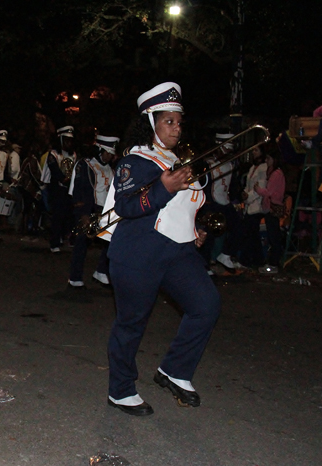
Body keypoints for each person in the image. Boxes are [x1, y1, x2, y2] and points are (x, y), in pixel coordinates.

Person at [104, 82, 220, 416]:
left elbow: (189, 205)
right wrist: (162, 188)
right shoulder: (136, 159)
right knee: (131, 323)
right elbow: (126, 206)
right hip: (139, 252)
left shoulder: (181, 160)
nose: (176, 128)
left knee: (206, 304)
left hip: (178, 252)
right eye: (168, 121)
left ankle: (175, 370)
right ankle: (120, 390)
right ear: (151, 122)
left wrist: (196, 228)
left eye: (178, 122)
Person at [67, 134, 119, 287]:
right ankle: (75, 277)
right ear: (99, 150)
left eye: (111, 153)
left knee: (109, 242)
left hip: (103, 211)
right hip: (87, 209)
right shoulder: (85, 164)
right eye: (107, 152)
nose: (109, 156)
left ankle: (101, 271)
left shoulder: (110, 169)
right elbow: (78, 190)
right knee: (81, 243)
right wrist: (83, 213)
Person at [199, 132, 242, 271]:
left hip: (225, 202)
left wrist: (240, 195)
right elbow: (202, 184)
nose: (229, 152)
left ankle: (226, 254)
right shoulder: (207, 163)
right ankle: (205, 266)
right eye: (226, 148)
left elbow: (233, 185)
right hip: (211, 203)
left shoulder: (231, 164)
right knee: (208, 235)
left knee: (238, 227)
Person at [41, 125, 77, 252]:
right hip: (57, 188)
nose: (68, 143)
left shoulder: (73, 155)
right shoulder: (53, 154)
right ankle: (54, 243)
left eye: (70, 140)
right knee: (57, 216)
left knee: (68, 215)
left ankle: (63, 237)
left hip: (68, 189)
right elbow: (54, 170)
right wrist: (63, 179)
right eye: (66, 140)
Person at [254, 148, 286, 273]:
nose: (266, 161)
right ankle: (273, 262)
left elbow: (269, 192)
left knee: (274, 236)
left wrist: (258, 190)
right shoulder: (273, 172)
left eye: (268, 159)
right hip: (270, 207)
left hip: (272, 207)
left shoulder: (276, 174)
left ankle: (274, 263)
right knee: (273, 235)